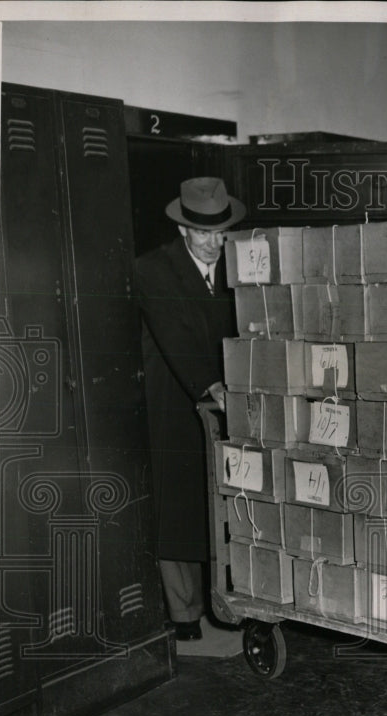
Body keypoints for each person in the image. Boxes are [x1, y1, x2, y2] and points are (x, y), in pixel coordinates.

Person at [135, 177, 245, 642]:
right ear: (183, 230)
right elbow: (175, 338)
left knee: (217, 503)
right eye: (204, 234)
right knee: (177, 508)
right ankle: (183, 615)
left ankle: (222, 603)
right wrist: (212, 386)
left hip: (224, 401)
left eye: (220, 233)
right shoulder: (152, 270)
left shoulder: (234, 264)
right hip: (175, 401)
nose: (214, 243)